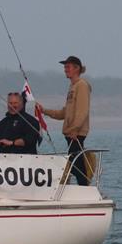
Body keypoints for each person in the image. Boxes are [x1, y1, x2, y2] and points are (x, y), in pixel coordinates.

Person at [36, 55, 92, 185]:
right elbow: (64, 113)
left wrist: (75, 129)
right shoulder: (72, 87)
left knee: (75, 164)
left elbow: (83, 111)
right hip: (70, 133)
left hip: (76, 133)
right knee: (76, 164)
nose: (65, 70)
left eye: (68, 67)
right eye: (65, 67)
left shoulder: (81, 85)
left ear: (76, 68)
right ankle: (83, 188)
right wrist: (44, 110)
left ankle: (85, 189)